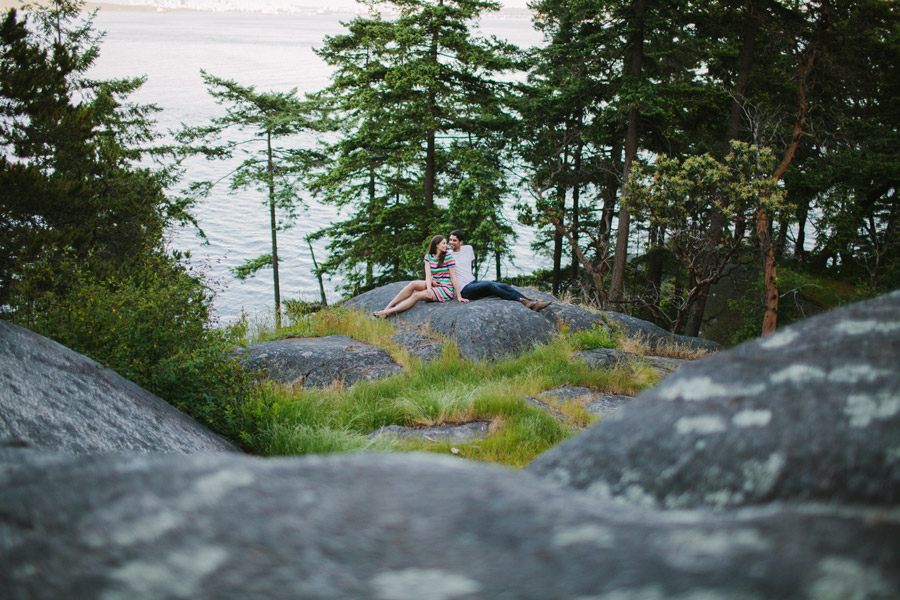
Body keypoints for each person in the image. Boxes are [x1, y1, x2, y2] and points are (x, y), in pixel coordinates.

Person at [447, 230, 551, 311]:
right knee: (489, 285)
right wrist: (458, 296)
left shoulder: (468, 249)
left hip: (473, 282)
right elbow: (447, 274)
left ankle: (533, 303)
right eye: (450, 240)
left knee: (503, 285)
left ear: (461, 242)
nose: (451, 242)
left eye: (454, 240)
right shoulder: (448, 255)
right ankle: (520, 300)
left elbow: (467, 265)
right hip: (464, 289)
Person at [374, 235, 469, 317]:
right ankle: (388, 307)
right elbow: (428, 275)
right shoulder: (428, 257)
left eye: (445, 243)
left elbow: (453, 278)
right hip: (434, 285)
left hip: (446, 289)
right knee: (413, 284)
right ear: (437, 245)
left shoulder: (448, 257)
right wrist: (428, 288)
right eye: (443, 243)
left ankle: (387, 312)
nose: (446, 245)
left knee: (416, 295)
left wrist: (459, 296)